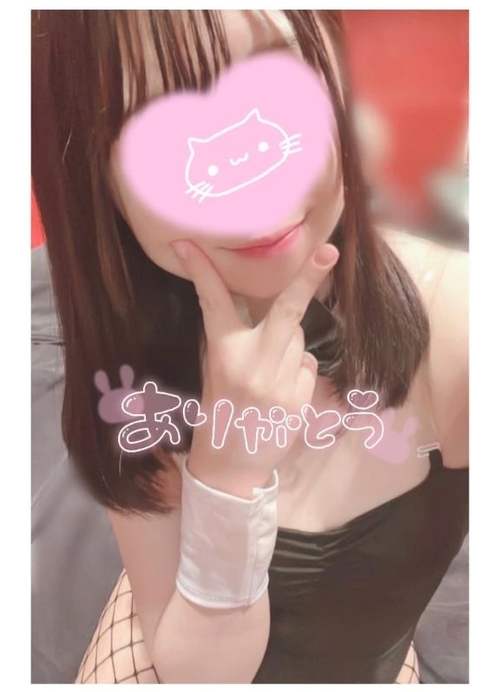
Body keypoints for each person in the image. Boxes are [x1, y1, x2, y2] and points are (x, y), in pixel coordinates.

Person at [31, 9, 468, 684]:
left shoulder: (457, 326)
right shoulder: (128, 362)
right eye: (158, 126)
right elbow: (197, 669)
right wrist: (226, 479)